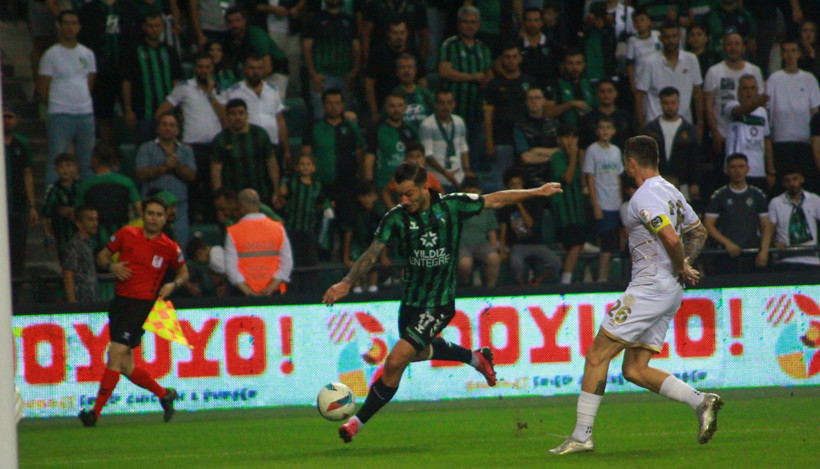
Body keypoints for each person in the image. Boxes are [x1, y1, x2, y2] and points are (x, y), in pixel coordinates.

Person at [323, 161, 563, 443]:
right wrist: (346, 283)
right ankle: (476, 357)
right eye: (400, 194)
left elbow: (495, 199)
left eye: (409, 193)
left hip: (438, 304)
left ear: (426, 187)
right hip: (411, 303)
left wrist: (537, 191)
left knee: (396, 360)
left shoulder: (453, 206)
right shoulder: (396, 218)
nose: (404, 200)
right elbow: (371, 254)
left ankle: (356, 422)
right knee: (415, 354)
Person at [549, 135, 721, 455]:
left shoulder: (644, 196)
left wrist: (680, 264)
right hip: (668, 290)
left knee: (597, 354)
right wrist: (684, 265)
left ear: (630, 163)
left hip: (650, 286)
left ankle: (582, 435)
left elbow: (670, 237)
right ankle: (701, 401)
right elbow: (699, 231)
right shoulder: (671, 191)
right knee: (634, 369)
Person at [78, 196, 188, 426]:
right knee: (126, 365)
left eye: (159, 215)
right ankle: (164, 394)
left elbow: (183, 273)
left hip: (141, 305)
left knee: (114, 355)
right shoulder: (127, 233)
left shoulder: (169, 247)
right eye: (150, 213)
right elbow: (102, 255)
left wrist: (173, 284)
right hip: (120, 303)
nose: (154, 218)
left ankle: (94, 414)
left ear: (165, 218)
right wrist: (111, 266)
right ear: (143, 215)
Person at [155, 52, 227, 224]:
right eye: (200, 67)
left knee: (214, 188)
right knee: (191, 186)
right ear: (195, 68)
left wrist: (210, 95)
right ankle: (191, 223)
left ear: (212, 68)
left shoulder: (220, 89)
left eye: (207, 67)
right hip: (191, 146)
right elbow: (161, 111)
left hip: (215, 145)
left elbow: (225, 119)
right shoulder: (184, 87)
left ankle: (212, 224)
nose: (204, 71)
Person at [38, 9, 97, 184]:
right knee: (57, 160)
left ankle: (88, 203)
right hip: (60, 114)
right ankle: (52, 202)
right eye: (66, 24)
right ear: (60, 27)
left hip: (85, 113)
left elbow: (90, 82)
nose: (70, 28)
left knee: (87, 162)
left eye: (73, 23)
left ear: (78, 27)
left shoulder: (88, 54)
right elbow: (43, 88)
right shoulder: (51, 54)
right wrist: (57, 106)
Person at [78, 0, 142, 145]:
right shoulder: (89, 11)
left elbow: (137, 38)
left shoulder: (129, 8)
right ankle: (107, 153)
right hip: (100, 72)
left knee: (132, 113)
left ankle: (133, 153)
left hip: (127, 72)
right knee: (103, 115)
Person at [438, 6, 493, 171]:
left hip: (476, 113)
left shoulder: (484, 48)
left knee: (474, 159)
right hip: (454, 114)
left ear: (478, 25)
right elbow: (444, 71)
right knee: (453, 158)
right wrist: (472, 77)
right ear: (459, 24)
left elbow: (489, 72)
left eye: (473, 22)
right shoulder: (449, 45)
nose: (470, 26)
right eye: (466, 22)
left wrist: (487, 79)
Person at [302, 89, 364, 231]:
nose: (333, 106)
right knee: (323, 226)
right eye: (329, 103)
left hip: (347, 185)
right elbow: (306, 155)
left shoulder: (351, 128)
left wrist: (361, 177)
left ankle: (346, 253)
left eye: (337, 103)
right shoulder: (313, 127)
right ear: (323, 105)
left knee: (347, 224)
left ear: (343, 105)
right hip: (321, 185)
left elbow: (360, 155)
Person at [704, 153, 772, 274]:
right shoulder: (719, 195)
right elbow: (708, 225)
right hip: (726, 253)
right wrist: (727, 243)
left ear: (747, 169)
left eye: (741, 166)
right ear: (727, 170)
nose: (737, 171)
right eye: (733, 167)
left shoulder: (757, 195)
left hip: (752, 252)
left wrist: (764, 250)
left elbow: (766, 226)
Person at [135, 113, 197, 246]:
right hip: (153, 208)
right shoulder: (146, 148)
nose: (167, 128)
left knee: (179, 247)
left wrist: (175, 166)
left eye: (171, 125)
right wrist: (164, 167)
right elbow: (141, 174)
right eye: (164, 124)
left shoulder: (186, 150)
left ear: (177, 130)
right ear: (157, 128)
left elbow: (191, 176)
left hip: (179, 207)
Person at [767, 40, 820, 193]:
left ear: (799, 54)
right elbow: (768, 107)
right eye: (787, 51)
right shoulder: (774, 78)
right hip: (781, 139)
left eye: (793, 51)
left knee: (805, 182)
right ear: (782, 55)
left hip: (804, 139)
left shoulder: (809, 79)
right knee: (783, 182)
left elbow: (815, 110)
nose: (790, 55)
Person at [121, 12, 183, 144]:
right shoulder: (134, 51)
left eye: (157, 25)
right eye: (150, 26)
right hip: (143, 114)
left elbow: (177, 82)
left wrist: (180, 109)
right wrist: (128, 110)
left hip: (168, 115)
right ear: (144, 27)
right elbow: (127, 82)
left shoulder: (170, 51)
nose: (154, 29)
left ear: (163, 27)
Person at [484, 43, 538, 188]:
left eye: (514, 57)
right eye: (507, 57)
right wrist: (489, 142)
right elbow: (488, 115)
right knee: (501, 183)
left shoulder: (529, 82)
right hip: (502, 141)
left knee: (526, 182)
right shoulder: (494, 84)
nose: (511, 60)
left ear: (520, 59)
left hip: (526, 142)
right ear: (501, 59)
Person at [211, 98, 281, 208]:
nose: (237, 117)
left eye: (240, 113)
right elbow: (216, 170)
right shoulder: (221, 139)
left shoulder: (260, 134)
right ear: (227, 116)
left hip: (260, 193)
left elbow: (271, 162)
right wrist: (219, 199)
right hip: (233, 197)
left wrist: (276, 190)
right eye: (233, 114)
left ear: (247, 114)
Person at [703, 32, 764, 157]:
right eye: (729, 44)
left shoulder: (754, 70)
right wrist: (715, 133)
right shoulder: (714, 71)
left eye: (737, 44)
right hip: (722, 135)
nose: (733, 48)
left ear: (743, 47)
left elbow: (759, 101)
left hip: (749, 137)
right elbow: (708, 106)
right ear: (724, 47)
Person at [635, 20, 703, 132]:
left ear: (680, 37)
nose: (670, 41)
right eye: (667, 37)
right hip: (655, 124)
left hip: (684, 123)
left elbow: (697, 92)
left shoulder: (691, 59)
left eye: (674, 36)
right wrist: (641, 125)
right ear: (660, 38)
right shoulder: (649, 62)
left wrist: (700, 122)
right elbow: (639, 96)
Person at [225, 54, 291, 169]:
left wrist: (286, 149)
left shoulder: (273, 90)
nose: (255, 72)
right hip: (246, 147)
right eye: (252, 68)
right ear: (245, 69)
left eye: (259, 68)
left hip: (272, 145)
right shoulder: (234, 92)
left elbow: (280, 120)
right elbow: (227, 120)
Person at [498, 169, 562, 285]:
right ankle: (522, 287)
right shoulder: (505, 206)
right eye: (513, 185)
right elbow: (503, 230)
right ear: (508, 187)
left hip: (535, 243)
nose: (517, 187)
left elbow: (530, 224)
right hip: (517, 245)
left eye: (518, 183)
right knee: (515, 264)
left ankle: (537, 281)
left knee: (555, 262)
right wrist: (502, 250)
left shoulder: (533, 201)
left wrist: (519, 204)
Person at [224, 188, 293, 295]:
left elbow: (231, 268)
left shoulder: (233, 232)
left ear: (241, 207)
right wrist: (270, 288)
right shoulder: (278, 228)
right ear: (259, 204)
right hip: (275, 294)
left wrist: (249, 292)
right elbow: (286, 263)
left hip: (243, 296)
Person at [75, 144, 143, 251]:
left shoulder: (85, 186)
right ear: (112, 161)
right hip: (123, 238)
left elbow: (77, 214)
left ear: (94, 160)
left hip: (96, 240)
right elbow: (140, 210)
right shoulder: (126, 182)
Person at [302, 0, 361, 118]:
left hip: (344, 76)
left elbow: (357, 49)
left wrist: (354, 73)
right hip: (322, 76)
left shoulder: (349, 20)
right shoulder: (314, 19)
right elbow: (306, 49)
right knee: (320, 117)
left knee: (345, 118)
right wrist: (314, 75)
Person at [641, 87, 701, 199]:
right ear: (661, 103)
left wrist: (695, 182)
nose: (670, 107)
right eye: (666, 103)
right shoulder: (650, 129)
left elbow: (695, 158)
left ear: (678, 103)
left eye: (673, 103)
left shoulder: (689, 130)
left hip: (682, 182)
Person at [583, 116, 623, 282]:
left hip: (616, 202)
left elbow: (619, 177)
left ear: (613, 131)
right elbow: (590, 178)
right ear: (597, 131)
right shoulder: (592, 150)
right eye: (602, 127)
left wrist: (621, 199)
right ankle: (602, 279)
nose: (605, 130)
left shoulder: (616, 150)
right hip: (602, 202)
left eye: (608, 127)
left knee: (618, 241)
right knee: (605, 243)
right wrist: (596, 205)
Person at [3, 106, 39, 282]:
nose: (6, 120)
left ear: (16, 120)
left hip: (18, 205)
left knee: (18, 250)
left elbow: (27, 174)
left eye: (10, 116)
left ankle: (16, 289)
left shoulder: (22, 143)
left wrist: (32, 205)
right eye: (3, 116)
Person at [365, 20, 425, 124]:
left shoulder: (414, 52)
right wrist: (374, 112)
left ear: (407, 34)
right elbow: (369, 83)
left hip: (411, 106)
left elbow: (421, 79)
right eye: (395, 33)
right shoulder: (378, 53)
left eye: (402, 33)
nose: (399, 37)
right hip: (385, 106)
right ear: (388, 34)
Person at [278, 154, 328, 279]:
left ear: (313, 168)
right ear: (296, 167)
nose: (305, 167)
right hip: (292, 227)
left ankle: (310, 286)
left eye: (308, 164)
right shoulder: (291, 183)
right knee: (293, 256)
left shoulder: (317, 186)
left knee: (310, 258)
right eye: (302, 164)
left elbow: (320, 206)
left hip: (309, 228)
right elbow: (283, 202)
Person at [223, 7, 289, 97]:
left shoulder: (256, 35)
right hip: (254, 75)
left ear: (244, 21)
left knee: (271, 103)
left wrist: (248, 83)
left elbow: (267, 67)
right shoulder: (230, 38)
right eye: (230, 22)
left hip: (275, 72)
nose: (234, 25)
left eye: (238, 20)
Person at [723, 75, 774, 191]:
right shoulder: (730, 106)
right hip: (736, 172)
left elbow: (767, 141)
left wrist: (771, 171)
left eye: (752, 88)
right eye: (745, 88)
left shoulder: (762, 112)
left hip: (758, 171)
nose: (749, 92)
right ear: (739, 90)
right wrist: (757, 103)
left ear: (757, 90)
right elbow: (741, 111)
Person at [551, 126, 587, 285]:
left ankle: (563, 277)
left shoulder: (580, 155)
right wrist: (573, 157)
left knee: (574, 245)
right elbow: (567, 179)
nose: (570, 141)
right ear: (559, 139)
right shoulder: (557, 157)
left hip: (577, 208)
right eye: (566, 137)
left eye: (573, 137)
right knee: (576, 244)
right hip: (565, 210)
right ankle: (565, 280)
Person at [363, 93, 419, 191]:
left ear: (405, 107)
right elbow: (369, 159)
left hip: (406, 186)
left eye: (399, 105)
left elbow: (418, 158)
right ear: (385, 107)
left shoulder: (411, 130)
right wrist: (369, 185)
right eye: (392, 106)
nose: (396, 110)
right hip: (382, 184)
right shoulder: (376, 130)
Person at [767, 167, 820, 271]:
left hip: (812, 259)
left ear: (802, 179)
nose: (792, 183)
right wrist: (774, 243)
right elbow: (768, 231)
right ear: (783, 183)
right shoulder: (776, 203)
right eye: (787, 180)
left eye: (795, 179)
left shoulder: (814, 199)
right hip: (786, 260)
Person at [420, 90, 472, 191]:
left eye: (449, 102)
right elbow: (428, 155)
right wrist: (445, 173)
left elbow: (463, 148)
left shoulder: (459, 121)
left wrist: (467, 170)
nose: (446, 107)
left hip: (459, 178)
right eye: (441, 103)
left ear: (454, 104)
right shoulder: (427, 125)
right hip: (438, 180)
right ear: (435, 105)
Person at [457, 177, 501, 288]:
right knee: (465, 264)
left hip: (481, 243)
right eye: (467, 192)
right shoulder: (455, 208)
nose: (471, 195)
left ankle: (490, 289)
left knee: (494, 258)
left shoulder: (486, 208)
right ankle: (467, 284)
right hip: (461, 244)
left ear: (479, 192)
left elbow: (492, 232)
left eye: (474, 192)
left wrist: (494, 248)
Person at [341, 181, 384, 294]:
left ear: (375, 197)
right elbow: (348, 236)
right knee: (355, 260)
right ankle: (357, 287)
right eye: (364, 196)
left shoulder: (379, 212)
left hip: (372, 243)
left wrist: (384, 256)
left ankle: (373, 287)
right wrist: (346, 257)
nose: (367, 200)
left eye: (370, 196)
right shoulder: (353, 212)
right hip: (357, 243)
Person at [512, 87, 559, 189]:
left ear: (543, 101)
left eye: (537, 98)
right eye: (530, 98)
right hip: (531, 177)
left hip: (554, 174)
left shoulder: (553, 124)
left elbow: (561, 151)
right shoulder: (520, 126)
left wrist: (537, 150)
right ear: (526, 102)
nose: (533, 101)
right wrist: (552, 156)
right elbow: (526, 158)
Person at [544, 48, 597, 133]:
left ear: (584, 65)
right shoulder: (555, 85)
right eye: (570, 63)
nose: (574, 67)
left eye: (578, 63)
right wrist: (570, 104)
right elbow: (548, 113)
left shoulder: (589, 85)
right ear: (563, 65)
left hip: (589, 133)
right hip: (565, 135)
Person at [579, 79, 636, 154]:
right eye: (602, 91)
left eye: (609, 91)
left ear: (616, 93)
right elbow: (582, 147)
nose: (606, 94)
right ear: (597, 94)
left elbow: (633, 145)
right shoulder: (588, 118)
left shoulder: (625, 117)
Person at [382, 141, 444, 208]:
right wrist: (392, 208)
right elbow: (385, 193)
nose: (415, 160)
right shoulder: (399, 177)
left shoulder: (430, 177)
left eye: (418, 156)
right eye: (411, 156)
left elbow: (442, 194)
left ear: (424, 159)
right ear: (405, 159)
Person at [42, 153, 79, 264]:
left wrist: (72, 211)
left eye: (68, 165)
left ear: (75, 168)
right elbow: (45, 214)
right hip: (62, 232)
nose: (65, 170)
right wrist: (47, 233)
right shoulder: (53, 191)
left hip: (80, 232)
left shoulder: (81, 187)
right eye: (61, 166)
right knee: (66, 260)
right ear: (56, 170)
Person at [62, 205, 101, 303]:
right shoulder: (75, 244)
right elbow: (68, 273)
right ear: (79, 223)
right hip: (81, 302)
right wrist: (72, 302)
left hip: (92, 300)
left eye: (96, 219)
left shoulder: (89, 243)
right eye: (90, 220)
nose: (95, 223)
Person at [626, 8, 660, 109]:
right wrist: (633, 85)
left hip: (658, 77)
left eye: (642, 20)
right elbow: (630, 65)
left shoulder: (657, 36)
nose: (639, 23)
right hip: (641, 80)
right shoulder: (632, 41)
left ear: (650, 22)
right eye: (636, 21)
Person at [518, 7, 558, 90]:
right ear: (524, 22)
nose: (533, 24)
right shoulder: (517, 45)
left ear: (542, 22)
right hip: (523, 89)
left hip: (548, 90)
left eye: (536, 20)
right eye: (529, 20)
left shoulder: (553, 45)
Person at [392, 54, 434, 131]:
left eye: (409, 67)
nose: (406, 71)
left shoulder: (426, 95)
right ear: (397, 72)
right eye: (402, 67)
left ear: (415, 71)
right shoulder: (392, 96)